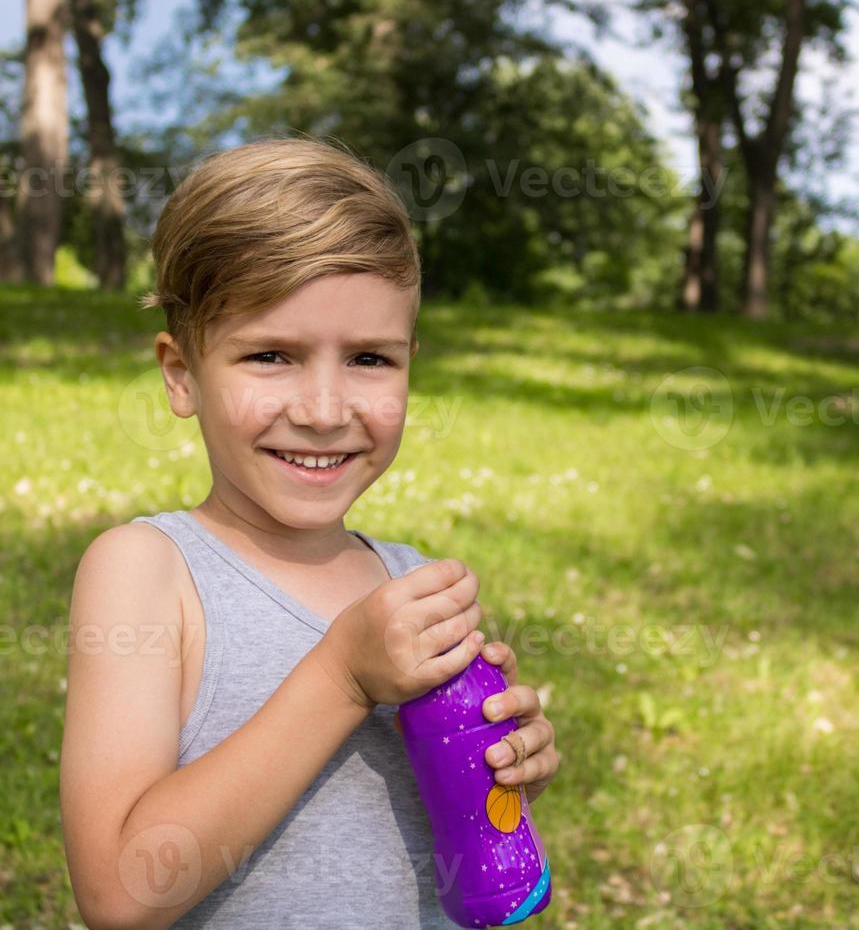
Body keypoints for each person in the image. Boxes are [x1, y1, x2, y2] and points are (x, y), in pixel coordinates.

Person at [59, 136, 561, 929]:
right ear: (181, 373)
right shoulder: (148, 573)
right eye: (270, 355)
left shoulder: (408, 581)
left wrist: (502, 770)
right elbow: (121, 894)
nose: (325, 410)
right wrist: (341, 678)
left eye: (369, 358)